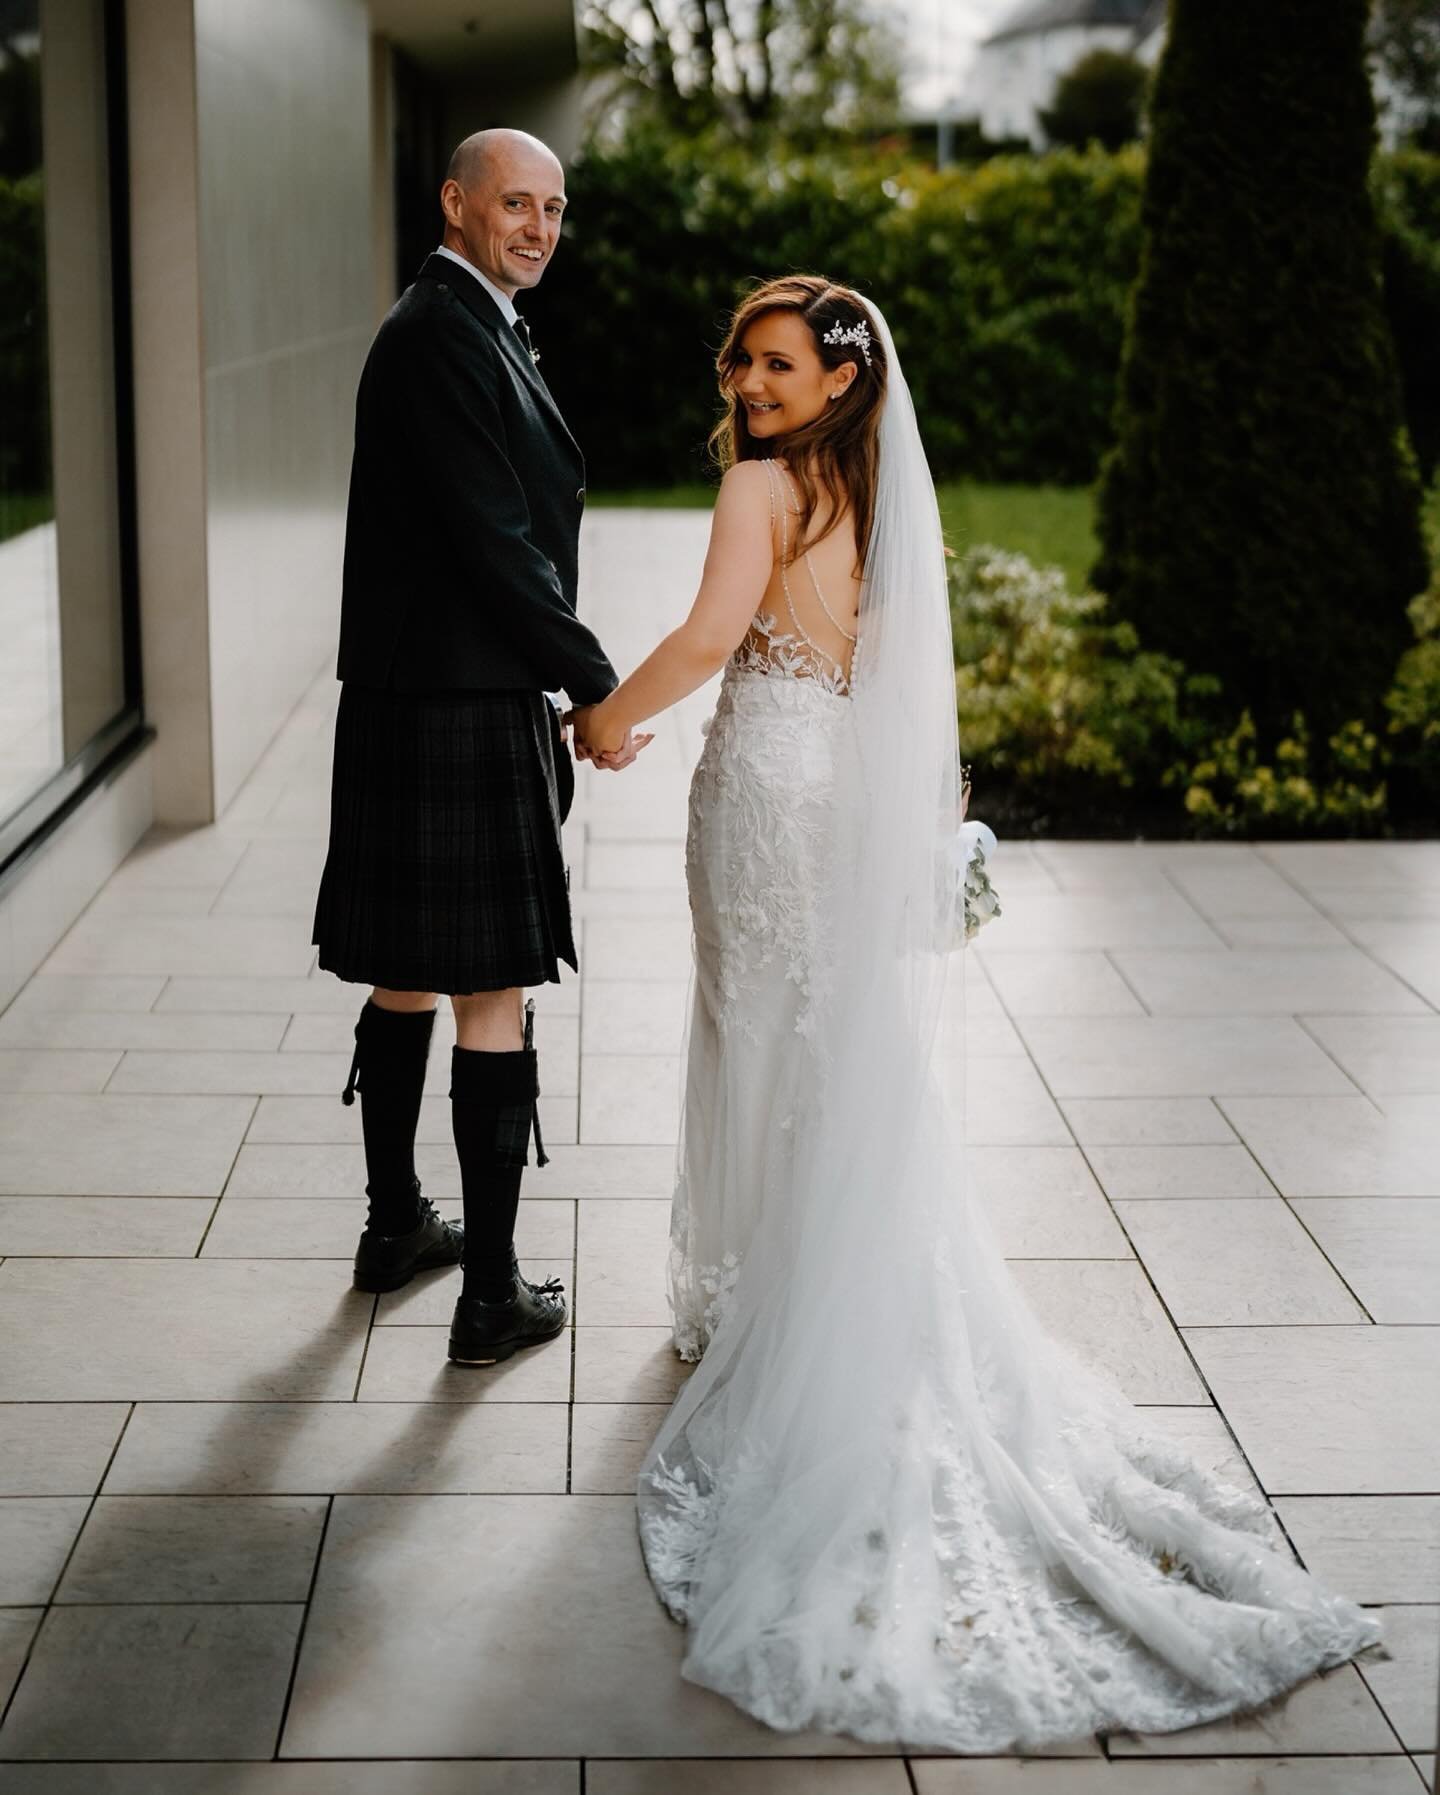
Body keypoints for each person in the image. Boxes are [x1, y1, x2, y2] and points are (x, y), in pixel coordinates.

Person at [570, 275, 1383, 1750]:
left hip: (766, 788)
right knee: (829, 1043)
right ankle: (809, 1288)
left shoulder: (762, 487)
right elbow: (898, 683)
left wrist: (606, 715)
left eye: (775, 362)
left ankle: (768, 1306)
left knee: (760, 1031)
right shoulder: (879, 490)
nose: (748, 383)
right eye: (741, 358)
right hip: (843, 795)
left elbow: (706, 640)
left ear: (835, 377)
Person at [313, 128, 647, 1370]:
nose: (540, 227)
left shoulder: (469, 320)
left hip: (423, 693)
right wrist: (595, 679)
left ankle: (395, 1226)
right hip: (454, 697)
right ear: (456, 202)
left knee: (404, 970)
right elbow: (496, 538)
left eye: (555, 209)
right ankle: (491, 1295)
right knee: (487, 992)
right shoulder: (440, 332)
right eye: (517, 202)